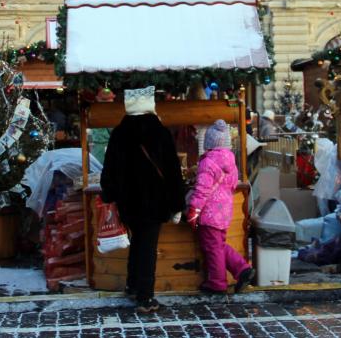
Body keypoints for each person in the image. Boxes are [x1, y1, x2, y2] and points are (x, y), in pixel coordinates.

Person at [101, 86, 185, 313]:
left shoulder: (119, 132)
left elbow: (108, 169)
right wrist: (178, 204)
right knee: (147, 246)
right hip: (154, 201)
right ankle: (145, 297)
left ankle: (132, 284)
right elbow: (172, 171)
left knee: (137, 241)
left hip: (127, 201)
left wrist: (109, 195)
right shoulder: (159, 131)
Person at [186, 119, 255, 294]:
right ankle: (242, 269)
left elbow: (202, 190)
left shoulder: (207, 162)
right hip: (224, 212)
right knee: (219, 244)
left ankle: (217, 282)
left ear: (208, 142)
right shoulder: (231, 162)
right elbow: (232, 186)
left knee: (212, 247)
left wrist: (194, 210)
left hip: (209, 213)